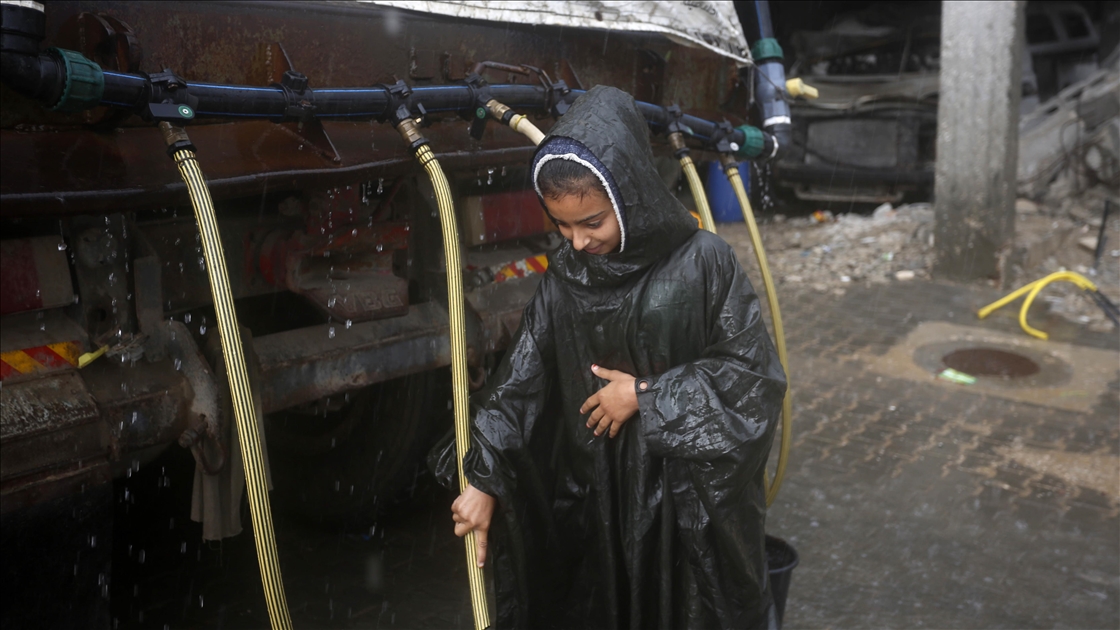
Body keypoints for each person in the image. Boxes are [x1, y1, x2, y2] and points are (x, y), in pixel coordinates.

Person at [431, 85, 786, 629]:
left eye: (592, 222)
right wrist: (483, 479)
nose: (576, 241)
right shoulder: (566, 279)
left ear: (631, 195)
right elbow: (519, 386)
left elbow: (753, 381)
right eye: (562, 226)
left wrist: (646, 396)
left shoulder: (704, 262)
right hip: (598, 504)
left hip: (689, 513)